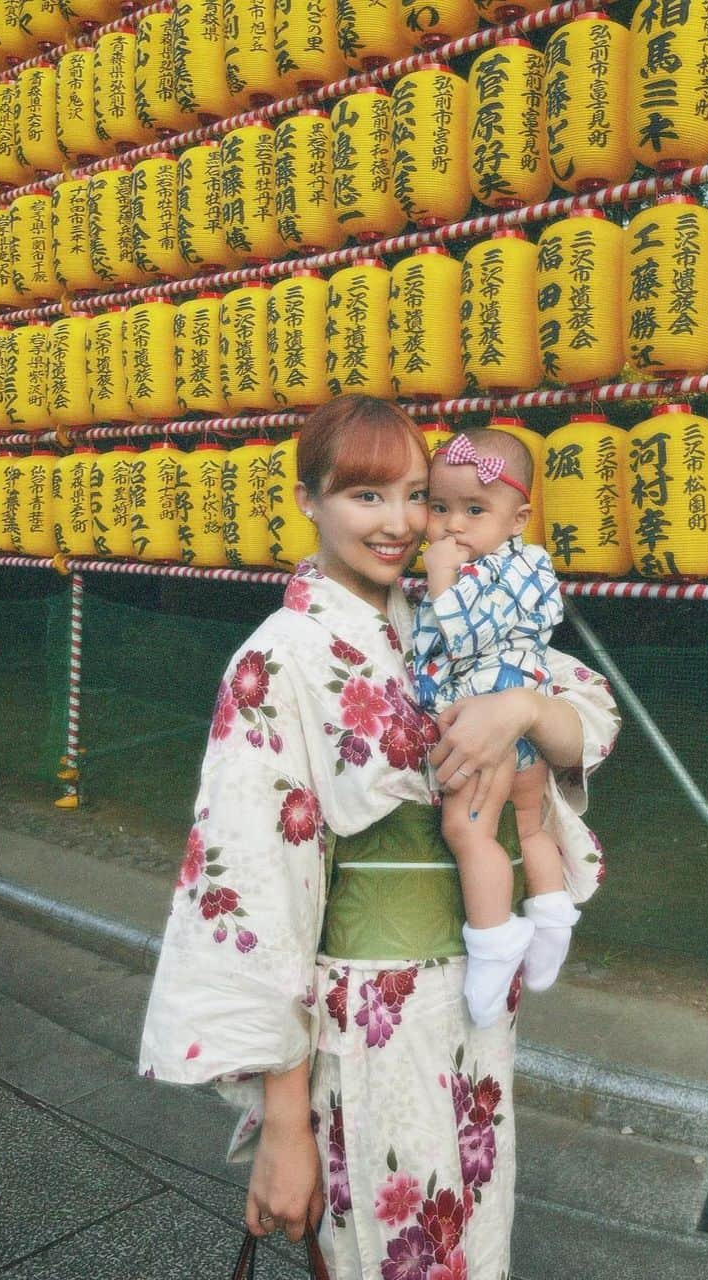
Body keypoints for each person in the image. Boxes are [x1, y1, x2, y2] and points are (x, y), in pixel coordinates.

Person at [138, 396, 619, 1280]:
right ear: (308, 500)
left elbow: (587, 715)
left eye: (414, 495)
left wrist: (522, 704)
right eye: (366, 496)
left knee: (475, 1244)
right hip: (365, 1020)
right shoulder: (276, 659)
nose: (401, 524)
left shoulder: (444, 617)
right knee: (393, 1254)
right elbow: (254, 892)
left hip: (473, 1005)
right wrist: (286, 1125)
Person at [412, 429, 582, 1029]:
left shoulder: (514, 569)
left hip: (484, 726)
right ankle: (552, 921)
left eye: (474, 510)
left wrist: (440, 581)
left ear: (519, 518)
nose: (452, 526)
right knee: (530, 825)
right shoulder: (512, 565)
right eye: (439, 508)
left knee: (467, 830)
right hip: (522, 724)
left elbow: (468, 634)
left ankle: (494, 941)